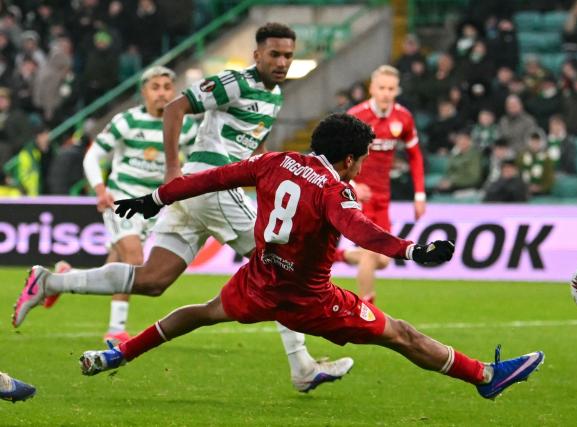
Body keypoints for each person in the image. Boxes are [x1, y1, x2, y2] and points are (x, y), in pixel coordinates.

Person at [78, 113, 544, 400]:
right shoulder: (333, 190)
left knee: (199, 312)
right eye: (360, 159)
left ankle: (119, 355)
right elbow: (358, 229)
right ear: (347, 160)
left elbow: (210, 178)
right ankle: (484, 375)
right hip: (310, 301)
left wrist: (156, 198)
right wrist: (411, 250)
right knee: (400, 334)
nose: (360, 167)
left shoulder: (273, 162)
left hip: (258, 283)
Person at [13, 23, 353, 393]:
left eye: (288, 55)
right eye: (274, 54)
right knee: (280, 265)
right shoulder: (236, 81)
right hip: (209, 185)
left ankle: (50, 281)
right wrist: (174, 169)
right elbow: (177, 107)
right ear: (257, 54)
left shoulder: (273, 98)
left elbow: (253, 153)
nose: (282, 61)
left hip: (204, 193)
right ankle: (301, 366)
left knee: (152, 280)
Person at [50, 65, 198, 344]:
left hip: (154, 206)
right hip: (121, 199)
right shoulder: (126, 121)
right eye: (155, 87)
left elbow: (192, 165)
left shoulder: (186, 126)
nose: (162, 93)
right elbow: (92, 157)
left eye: (167, 87)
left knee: (115, 268)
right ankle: (116, 330)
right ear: (144, 92)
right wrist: (100, 189)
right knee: (134, 258)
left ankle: (65, 278)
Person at [340, 65, 426, 304]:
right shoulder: (357, 116)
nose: (386, 93)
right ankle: (366, 304)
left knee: (384, 258)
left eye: (391, 88)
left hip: (383, 196)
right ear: (372, 89)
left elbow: (415, 156)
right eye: (382, 88)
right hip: (359, 196)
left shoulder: (403, 117)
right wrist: (353, 184)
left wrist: (419, 195)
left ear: (396, 90)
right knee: (370, 251)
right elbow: (336, 156)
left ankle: (341, 256)